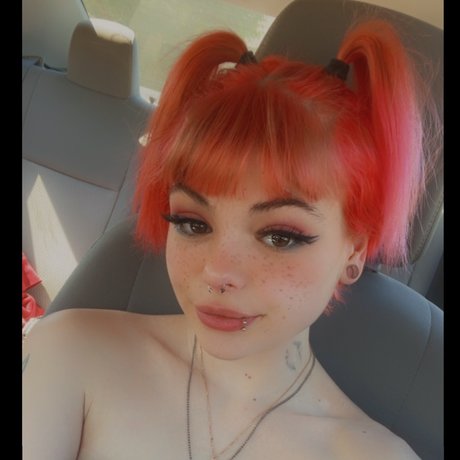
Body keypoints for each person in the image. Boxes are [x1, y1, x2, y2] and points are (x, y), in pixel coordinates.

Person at [23, 15, 437, 459]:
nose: (217, 272)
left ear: (354, 250)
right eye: (192, 224)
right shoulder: (73, 352)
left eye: (280, 237)